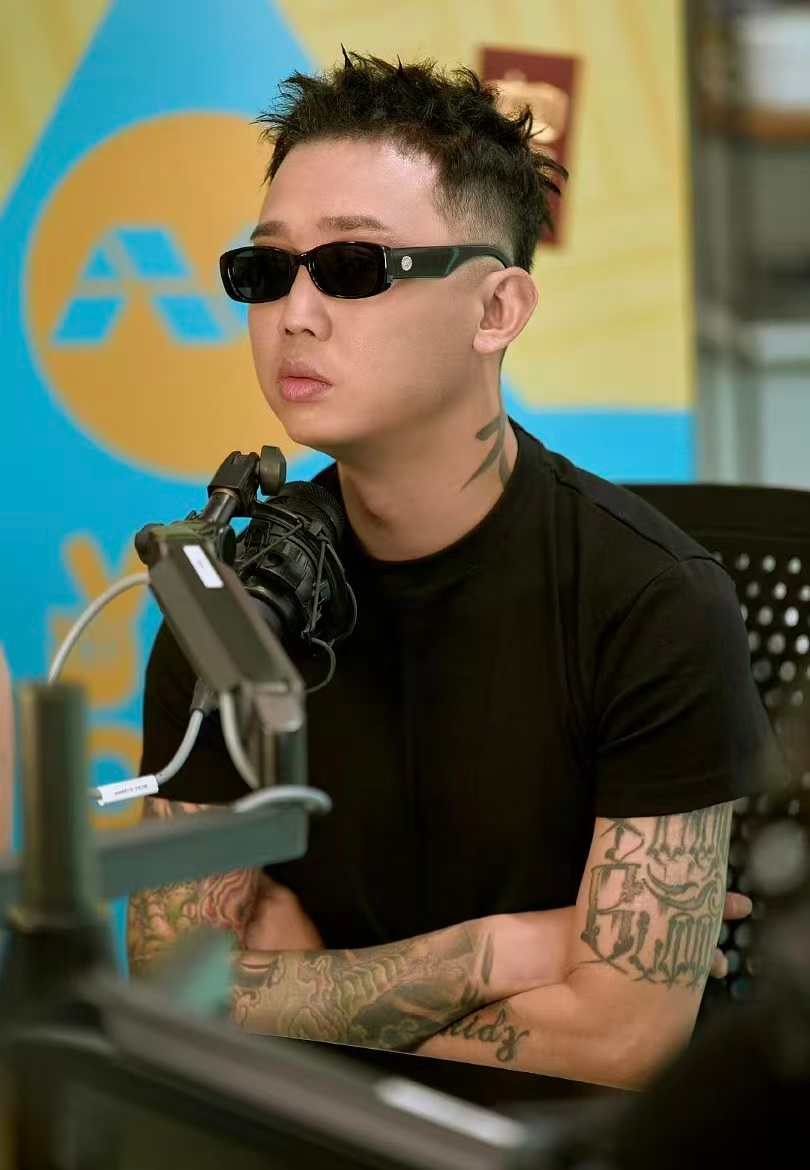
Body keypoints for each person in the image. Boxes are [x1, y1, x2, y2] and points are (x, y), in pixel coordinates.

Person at [128, 53, 771, 1101]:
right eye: (266, 270)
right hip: (316, 1135)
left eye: (353, 268)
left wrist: (296, 989)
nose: (295, 312)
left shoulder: (652, 598)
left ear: (497, 309)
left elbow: (622, 1042)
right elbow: (171, 987)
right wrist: (502, 952)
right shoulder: (235, 600)